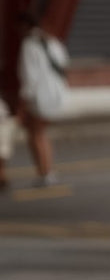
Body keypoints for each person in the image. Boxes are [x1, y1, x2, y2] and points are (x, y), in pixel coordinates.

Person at [16, 12, 68, 185]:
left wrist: (22, 105)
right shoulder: (53, 42)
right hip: (55, 94)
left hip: (39, 97)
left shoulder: (29, 45)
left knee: (36, 134)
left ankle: (44, 173)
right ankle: (47, 170)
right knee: (41, 133)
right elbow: (64, 65)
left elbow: (30, 78)